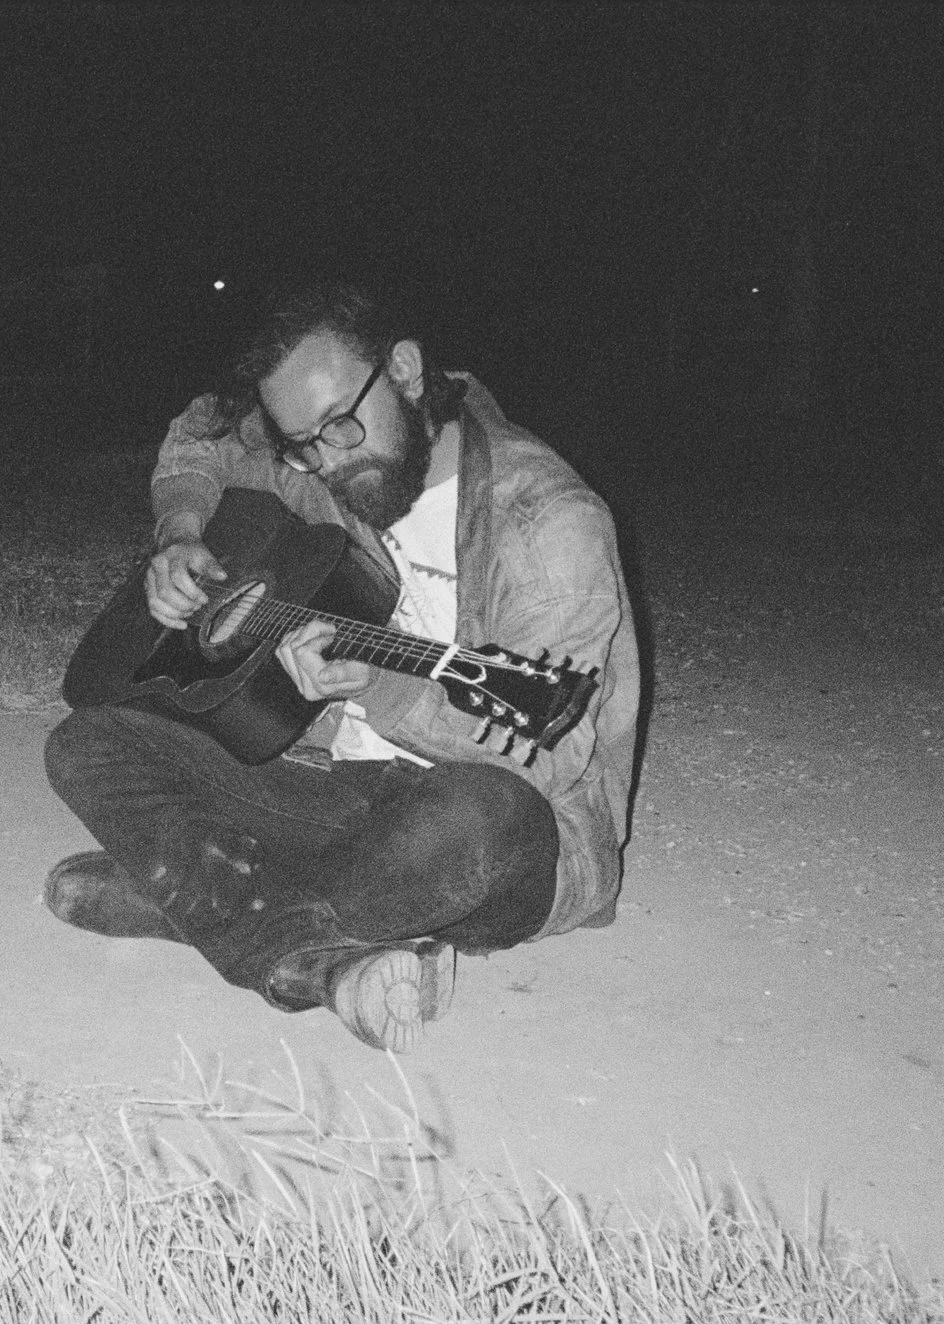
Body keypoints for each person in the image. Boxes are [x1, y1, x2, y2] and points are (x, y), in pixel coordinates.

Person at [42, 280, 645, 1052]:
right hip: (347, 797)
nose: (331, 460)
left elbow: (549, 758)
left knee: (477, 820)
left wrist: (383, 686)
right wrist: (178, 531)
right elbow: (203, 433)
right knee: (88, 741)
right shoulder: (329, 462)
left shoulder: (551, 522)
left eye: (342, 425)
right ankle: (308, 950)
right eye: (305, 444)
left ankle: (212, 909)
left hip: (503, 821)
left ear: (405, 370)